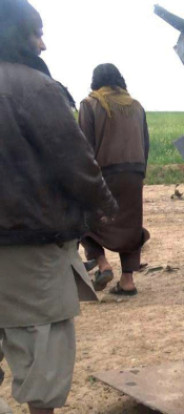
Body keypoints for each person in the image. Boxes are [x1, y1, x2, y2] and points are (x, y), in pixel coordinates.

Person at [0, 2, 118, 413]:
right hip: (28, 240)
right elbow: (75, 162)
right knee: (42, 343)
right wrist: (102, 204)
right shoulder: (35, 88)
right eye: (36, 33)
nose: (43, 44)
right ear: (16, 34)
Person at [78, 64, 150, 296]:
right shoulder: (136, 106)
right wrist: (140, 173)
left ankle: (102, 264)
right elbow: (145, 143)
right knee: (131, 224)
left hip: (102, 174)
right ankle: (127, 280)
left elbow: (84, 147)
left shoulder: (90, 105)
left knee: (88, 221)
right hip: (134, 173)